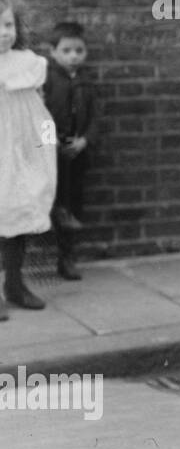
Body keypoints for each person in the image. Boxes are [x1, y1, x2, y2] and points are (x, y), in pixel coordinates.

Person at [0, 0, 57, 318]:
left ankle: (15, 283)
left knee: (19, 211)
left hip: (22, 149)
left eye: (7, 25)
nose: (3, 33)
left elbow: (38, 109)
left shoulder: (27, 62)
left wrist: (44, 144)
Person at [43, 19, 98, 280]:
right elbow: (39, 113)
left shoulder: (87, 83)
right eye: (66, 51)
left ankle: (67, 258)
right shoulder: (47, 79)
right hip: (51, 153)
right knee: (55, 203)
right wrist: (49, 142)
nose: (73, 56)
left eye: (79, 50)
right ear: (53, 52)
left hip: (77, 151)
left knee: (73, 204)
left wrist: (84, 140)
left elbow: (97, 117)